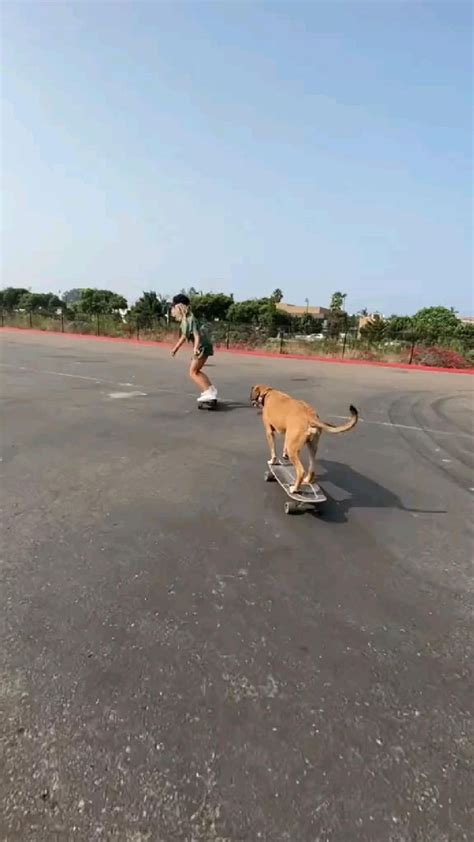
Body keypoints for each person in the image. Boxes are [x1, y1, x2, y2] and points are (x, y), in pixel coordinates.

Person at [170, 294, 218, 403]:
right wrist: (175, 349)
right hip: (203, 346)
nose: (172, 311)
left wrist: (195, 348)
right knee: (196, 371)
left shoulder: (191, 319)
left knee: (193, 372)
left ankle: (209, 392)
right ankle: (210, 389)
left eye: (173, 308)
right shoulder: (185, 321)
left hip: (202, 347)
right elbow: (183, 336)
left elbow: (196, 335)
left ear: (179, 307)